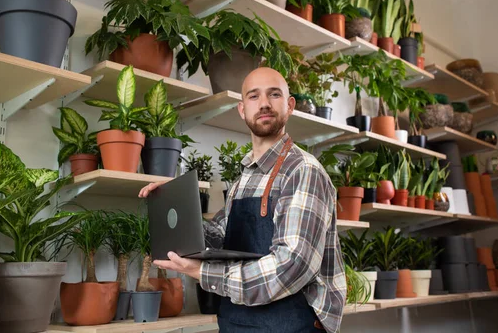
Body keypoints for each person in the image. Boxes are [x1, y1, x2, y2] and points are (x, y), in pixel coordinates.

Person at [138, 67, 346, 332]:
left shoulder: (303, 170)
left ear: (290, 105)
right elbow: (221, 235)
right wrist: (175, 200)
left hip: (291, 323)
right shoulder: (244, 178)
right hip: (238, 322)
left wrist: (203, 273)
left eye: (274, 94)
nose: (264, 104)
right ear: (241, 109)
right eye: (253, 96)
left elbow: (292, 265)